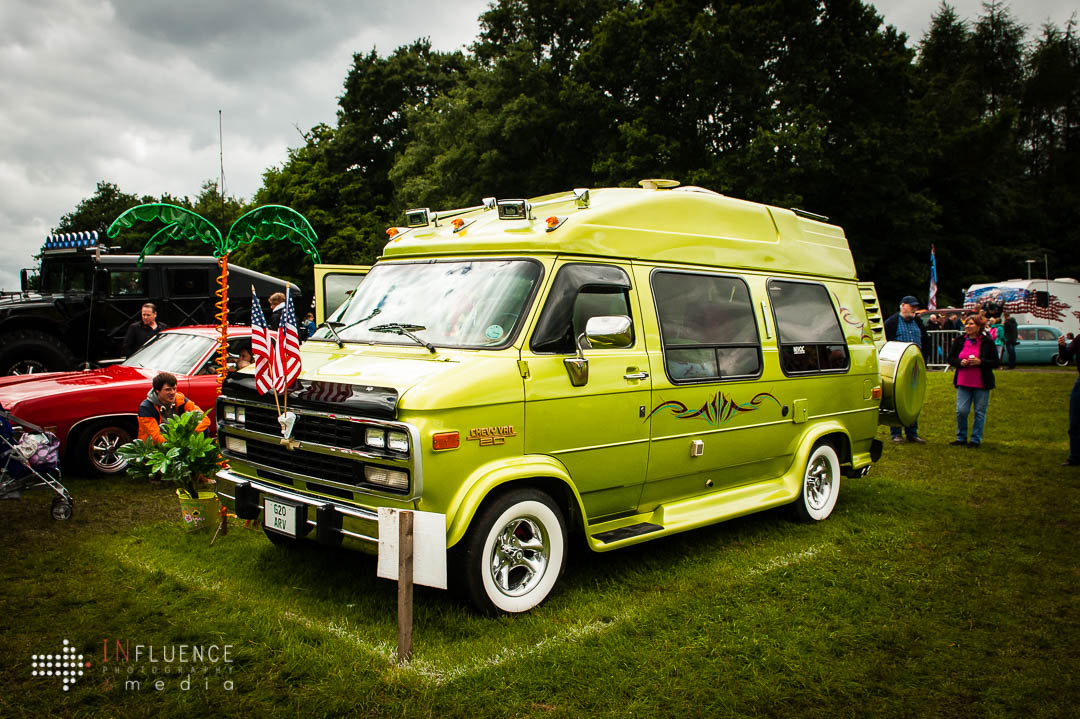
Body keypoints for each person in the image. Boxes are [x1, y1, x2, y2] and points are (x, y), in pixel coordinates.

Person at [948, 315, 999, 448]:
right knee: (961, 411)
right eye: (967, 324)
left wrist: (981, 362)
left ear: (979, 326)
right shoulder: (960, 340)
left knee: (979, 411)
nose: (968, 326)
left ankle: (975, 439)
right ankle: (961, 437)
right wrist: (960, 362)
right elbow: (950, 358)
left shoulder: (987, 342)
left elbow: (995, 362)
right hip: (963, 381)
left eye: (971, 324)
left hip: (981, 383)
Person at [883, 295, 929, 443]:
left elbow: (925, 343)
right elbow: (886, 344)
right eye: (911, 306)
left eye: (915, 306)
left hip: (915, 369)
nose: (914, 309)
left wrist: (924, 362)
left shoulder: (919, 323)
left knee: (913, 399)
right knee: (897, 400)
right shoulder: (892, 322)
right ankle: (896, 433)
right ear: (903, 306)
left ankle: (912, 433)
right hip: (898, 369)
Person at [137, 372, 210, 444]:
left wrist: (189, 434)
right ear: (157, 390)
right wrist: (178, 443)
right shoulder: (146, 407)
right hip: (156, 447)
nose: (172, 392)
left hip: (180, 438)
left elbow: (205, 419)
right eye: (168, 390)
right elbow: (156, 437)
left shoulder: (181, 400)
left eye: (174, 389)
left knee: (204, 429)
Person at [1059, 333, 1079, 466]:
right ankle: (1075, 456)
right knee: (1075, 420)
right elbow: (1066, 356)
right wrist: (1062, 346)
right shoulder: (1079, 339)